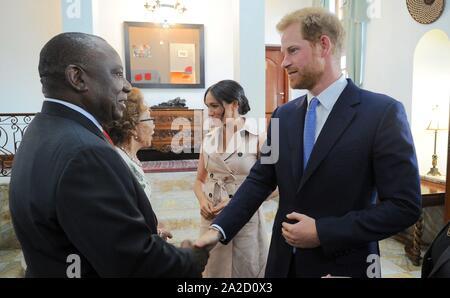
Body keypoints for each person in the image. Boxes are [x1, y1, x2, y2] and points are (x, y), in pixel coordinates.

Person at [196, 7, 422, 278]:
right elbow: (260, 180)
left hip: (343, 264)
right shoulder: (284, 115)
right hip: (282, 264)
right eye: (283, 54)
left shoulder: (381, 113)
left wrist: (323, 232)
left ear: (323, 45)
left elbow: (404, 207)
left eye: (292, 50)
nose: (284, 63)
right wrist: (217, 231)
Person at [9, 32, 208, 278]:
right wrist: (190, 258)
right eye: (116, 73)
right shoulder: (86, 153)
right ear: (77, 78)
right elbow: (133, 263)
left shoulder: (42, 129)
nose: (126, 85)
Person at [193, 80, 269, 278]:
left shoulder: (262, 136)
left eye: (214, 106)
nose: (210, 112)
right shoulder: (208, 138)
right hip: (211, 218)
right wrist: (203, 201)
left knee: (245, 273)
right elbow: (199, 180)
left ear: (235, 104)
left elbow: (276, 184)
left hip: (245, 218)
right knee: (213, 272)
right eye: (207, 106)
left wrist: (238, 202)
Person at [106, 87, 172, 241]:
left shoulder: (131, 158)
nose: (154, 125)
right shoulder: (119, 161)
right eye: (149, 119)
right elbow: (126, 214)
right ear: (133, 127)